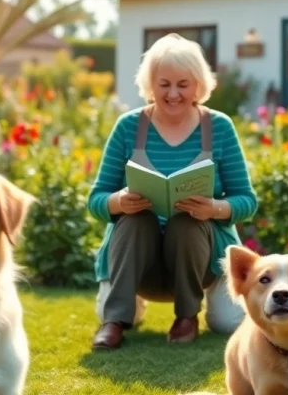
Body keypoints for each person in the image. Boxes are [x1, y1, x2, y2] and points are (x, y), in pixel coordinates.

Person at [87, 33, 259, 350]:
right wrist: (118, 202)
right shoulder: (128, 126)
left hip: (200, 259)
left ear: (199, 85)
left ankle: (187, 316)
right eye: (164, 84)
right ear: (150, 84)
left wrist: (214, 209)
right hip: (141, 260)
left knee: (226, 322)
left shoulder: (219, 127)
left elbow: (247, 201)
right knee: (135, 220)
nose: (174, 93)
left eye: (183, 84)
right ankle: (115, 319)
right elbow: (96, 200)